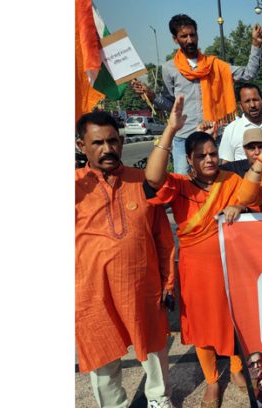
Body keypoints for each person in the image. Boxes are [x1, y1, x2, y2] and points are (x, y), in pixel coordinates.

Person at [144, 95, 246, 408]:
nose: (209, 160)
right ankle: (213, 381)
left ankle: (239, 368)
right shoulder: (179, 185)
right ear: (190, 159)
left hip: (233, 267)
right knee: (202, 326)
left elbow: (251, 199)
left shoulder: (232, 180)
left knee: (235, 319)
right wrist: (170, 132)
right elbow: (151, 178)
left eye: (213, 153)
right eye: (201, 156)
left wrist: (239, 204)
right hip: (196, 271)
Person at [75, 111, 176, 408]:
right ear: (82, 146)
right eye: (97, 143)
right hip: (92, 291)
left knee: (154, 346)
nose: (107, 149)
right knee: (101, 351)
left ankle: (158, 398)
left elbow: (162, 238)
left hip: (141, 285)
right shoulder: (73, 188)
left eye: (113, 141)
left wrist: (168, 281)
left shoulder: (142, 180)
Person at [132, 14, 262, 174]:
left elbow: (248, 74)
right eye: (184, 36)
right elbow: (171, 106)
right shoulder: (169, 68)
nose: (189, 40)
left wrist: (256, 45)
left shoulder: (215, 65)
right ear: (175, 39)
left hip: (213, 136)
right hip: (183, 138)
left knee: (216, 183)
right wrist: (152, 96)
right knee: (183, 182)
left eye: (192, 35)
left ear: (197, 35)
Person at [218, 83, 262, 163]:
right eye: (247, 101)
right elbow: (226, 164)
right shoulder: (231, 129)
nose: (252, 105)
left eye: (255, 100)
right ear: (240, 105)